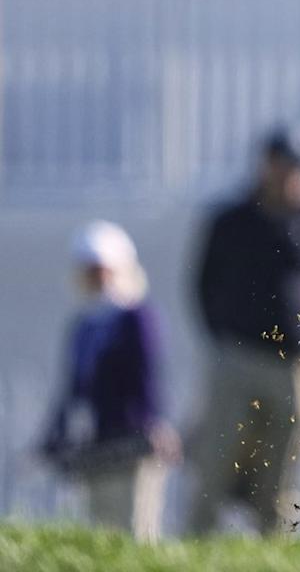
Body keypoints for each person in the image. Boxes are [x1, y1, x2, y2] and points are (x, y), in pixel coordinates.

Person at [186, 124, 300, 534]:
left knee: (284, 471)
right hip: (240, 358)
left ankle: (276, 547)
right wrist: (225, 339)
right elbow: (204, 286)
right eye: (284, 165)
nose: (291, 175)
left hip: (297, 365)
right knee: (218, 458)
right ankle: (197, 541)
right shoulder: (231, 221)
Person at [40, 220, 180, 542]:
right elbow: (73, 388)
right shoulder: (84, 326)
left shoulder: (137, 318)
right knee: (102, 529)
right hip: (97, 444)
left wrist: (156, 421)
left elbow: (149, 376)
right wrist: (54, 435)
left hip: (132, 441)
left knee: (136, 527)